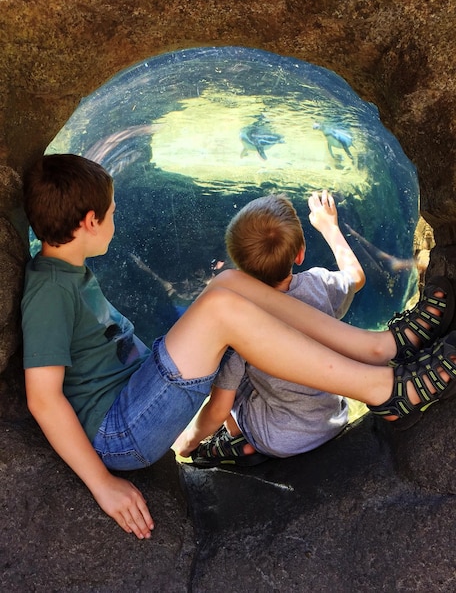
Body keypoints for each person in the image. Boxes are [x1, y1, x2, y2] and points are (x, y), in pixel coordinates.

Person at [21, 154, 456, 541]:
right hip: (119, 431)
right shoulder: (49, 291)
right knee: (222, 309)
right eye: (113, 213)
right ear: (90, 221)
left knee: (227, 283)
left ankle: (380, 347)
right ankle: (384, 390)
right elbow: (43, 398)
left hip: (136, 394)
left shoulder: (66, 269)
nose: (117, 220)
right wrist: (102, 483)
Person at [173, 191, 366, 466]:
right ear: (300, 254)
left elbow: (218, 409)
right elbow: (356, 277)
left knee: (222, 358)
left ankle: (237, 436)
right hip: (332, 420)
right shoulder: (320, 285)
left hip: (277, 439)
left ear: (238, 266)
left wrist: (187, 443)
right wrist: (329, 227)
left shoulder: (241, 319)